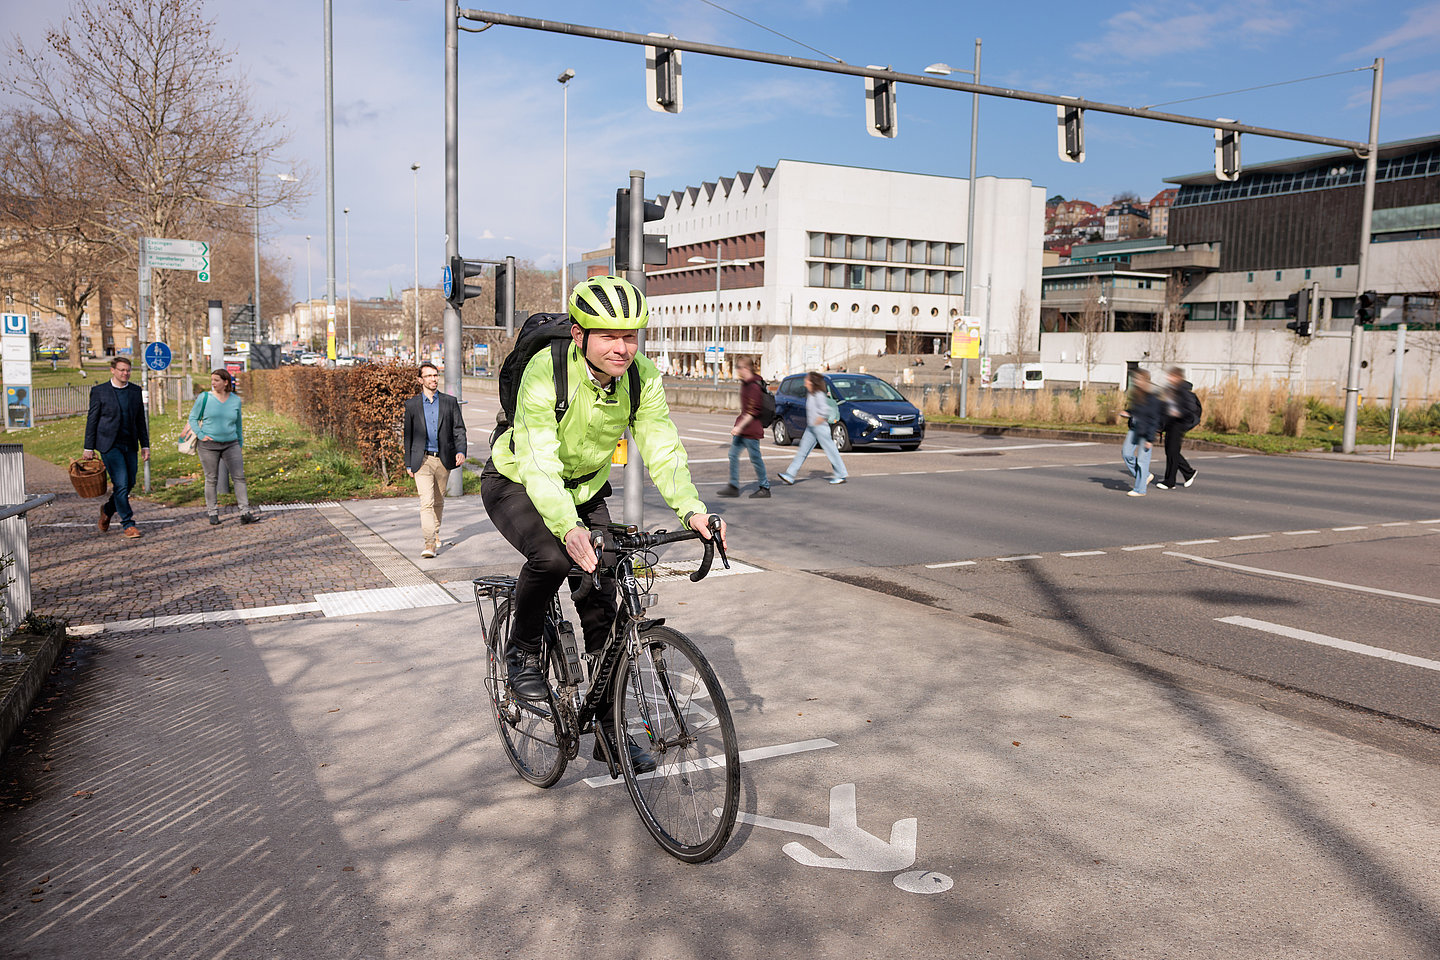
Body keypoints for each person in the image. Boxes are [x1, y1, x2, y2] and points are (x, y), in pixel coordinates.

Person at [480, 275, 725, 774]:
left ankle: (608, 731)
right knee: (551, 557)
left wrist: (693, 510)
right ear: (579, 335)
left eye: (631, 336)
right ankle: (522, 654)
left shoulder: (642, 378)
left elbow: (661, 445)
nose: (622, 347)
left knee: (602, 596)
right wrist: (568, 528)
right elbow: (540, 460)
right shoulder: (546, 373)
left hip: (586, 490)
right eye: (609, 336)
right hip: (518, 480)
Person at [403, 361, 467, 559]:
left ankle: (435, 531)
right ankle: (429, 544)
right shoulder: (412, 405)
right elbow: (408, 435)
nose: (433, 379)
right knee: (427, 502)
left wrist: (461, 450)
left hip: (443, 459)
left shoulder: (449, 401)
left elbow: (459, 429)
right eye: (429, 376)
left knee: (438, 501)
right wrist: (408, 462)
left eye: (435, 375)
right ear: (420, 380)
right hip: (421, 460)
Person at [82, 356, 149, 539]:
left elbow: (140, 421)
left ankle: (107, 510)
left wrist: (145, 445)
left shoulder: (135, 391)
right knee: (121, 483)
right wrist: (89, 447)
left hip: (130, 444)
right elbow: (92, 420)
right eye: (121, 370)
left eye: (128, 370)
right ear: (113, 370)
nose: (125, 373)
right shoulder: (100, 391)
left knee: (130, 483)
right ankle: (128, 524)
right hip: (109, 445)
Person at [186, 368, 258, 526]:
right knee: (211, 479)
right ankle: (212, 513)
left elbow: (238, 423)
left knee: (239, 477)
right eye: (212, 380)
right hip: (208, 445)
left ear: (226, 382)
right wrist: (200, 434)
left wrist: (240, 442)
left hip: (231, 444)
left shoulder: (235, 400)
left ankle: (245, 512)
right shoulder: (205, 397)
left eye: (217, 380)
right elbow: (193, 418)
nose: (213, 383)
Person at [777, 372, 848, 486]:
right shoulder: (811, 394)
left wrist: (819, 420)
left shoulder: (819, 394)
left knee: (831, 451)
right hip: (811, 428)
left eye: (806, 380)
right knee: (802, 452)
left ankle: (841, 474)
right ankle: (790, 475)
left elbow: (824, 409)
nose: (805, 382)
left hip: (820, 428)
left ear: (812, 382)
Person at [717, 356, 770, 499]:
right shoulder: (746, 384)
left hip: (751, 429)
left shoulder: (753, 386)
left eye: (739, 367)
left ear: (746, 368)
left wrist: (739, 428)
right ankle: (733, 486)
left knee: (755, 458)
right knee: (733, 454)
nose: (738, 370)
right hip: (743, 428)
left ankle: (764, 487)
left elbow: (753, 411)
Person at [1156, 366, 1201, 490]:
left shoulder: (1183, 391)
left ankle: (1170, 481)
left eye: (1171, 376)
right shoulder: (1172, 390)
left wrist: (1178, 412)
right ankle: (1188, 472)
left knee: (1172, 451)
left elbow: (1190, 409)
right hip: (1171, 423)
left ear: (1178, 377)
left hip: (1179, 424)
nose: (1169, 378)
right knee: (1171, 451)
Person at [1120, 368, 1163, 498]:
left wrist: (1150, 439)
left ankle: (1140, 489)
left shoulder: (1153, 395)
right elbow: (1136, 410)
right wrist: (1128, 413)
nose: (1135, 381)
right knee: (1126, 453)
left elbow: (1154, 418)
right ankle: (1146, 475)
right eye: (1134, 379)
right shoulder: (1137, 393)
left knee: (1142, 461)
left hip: (1146, 431)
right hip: (1134, 428)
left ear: (1144, 380)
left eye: (1137, 379)